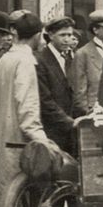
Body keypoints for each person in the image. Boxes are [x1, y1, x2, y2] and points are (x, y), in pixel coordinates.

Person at [0, 13, 52, 207]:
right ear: (37, 36)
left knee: (5, 195)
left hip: (4, 138)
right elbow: (27, 107)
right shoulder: (26, 61)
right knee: (19, 199)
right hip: (20, 142)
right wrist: (42, 140)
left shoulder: (4, 59)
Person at [37, 16, 81, 153]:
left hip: (69, 130)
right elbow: (45, 100)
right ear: (50, 35)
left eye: (70, 35)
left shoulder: (68, 59)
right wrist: (69, 122)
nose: (67, 39)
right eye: (62, 35)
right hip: (52, 130)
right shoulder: (41, 60)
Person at [69, 10, 103, 118]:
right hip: (94, 116)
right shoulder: (83, 54)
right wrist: (89, 114)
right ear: (95, 30)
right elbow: (79, 92)